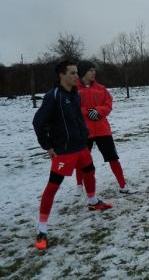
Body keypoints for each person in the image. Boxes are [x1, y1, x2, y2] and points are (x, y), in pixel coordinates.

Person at [32, 57, 112, 250]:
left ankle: (93, 201)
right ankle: (41, 229)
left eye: (77, 72)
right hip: (63, 152)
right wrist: (48, 146)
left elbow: (77, 117)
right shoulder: (53, 96)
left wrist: (83, 134)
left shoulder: (75, 93)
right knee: (52, 187)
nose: (77, 76)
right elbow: (38, 123)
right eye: (73, 73)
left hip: (81, 146)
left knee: (90, 171)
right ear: (62, 75)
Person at [76, 60, 131, 195]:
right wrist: (87, 112)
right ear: (83, 72)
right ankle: (79, 186)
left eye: (94, 70)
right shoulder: (74, 90)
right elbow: (72, 107)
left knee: (113, 157)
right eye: (90, 70)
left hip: (102, 130)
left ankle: (122, 185)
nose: (94, 72)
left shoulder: (101, 88)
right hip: (84, 131)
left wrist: (98, 111)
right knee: (81, 161)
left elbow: (108, 104)